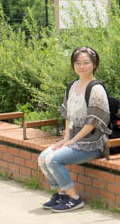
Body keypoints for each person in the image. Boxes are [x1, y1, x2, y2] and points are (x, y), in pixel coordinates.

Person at [37, 46, 110, 212]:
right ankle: (61, 194)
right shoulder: (72, 86)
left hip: (91, 142)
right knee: (43, 158)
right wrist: (66, 139)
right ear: (73, 65)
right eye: (78, 63)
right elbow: (68, 116)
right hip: (73, 140)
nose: (82, 66)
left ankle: (74, 198)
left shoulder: (96, 89)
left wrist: (71, 141)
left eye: (86, 62)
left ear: (94, 64)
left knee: (53, 160)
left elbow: (92, 122)